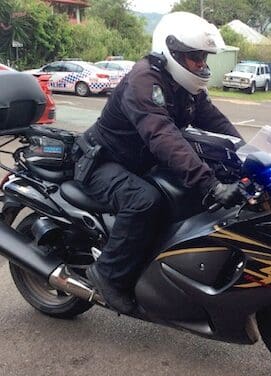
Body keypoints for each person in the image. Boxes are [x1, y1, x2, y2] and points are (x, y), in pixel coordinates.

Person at [79, 12, 243, 314]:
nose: (201, 65)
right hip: (103, 161)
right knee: (145, 202)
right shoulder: (145, 80)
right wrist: (209, 182)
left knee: (186, 199)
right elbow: (162, 135)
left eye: (203, 58)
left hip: (138, 162)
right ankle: (108, 276)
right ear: (174, 52)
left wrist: (245, 153)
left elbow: (213, 118)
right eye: (196, 58)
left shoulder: (184, 85)